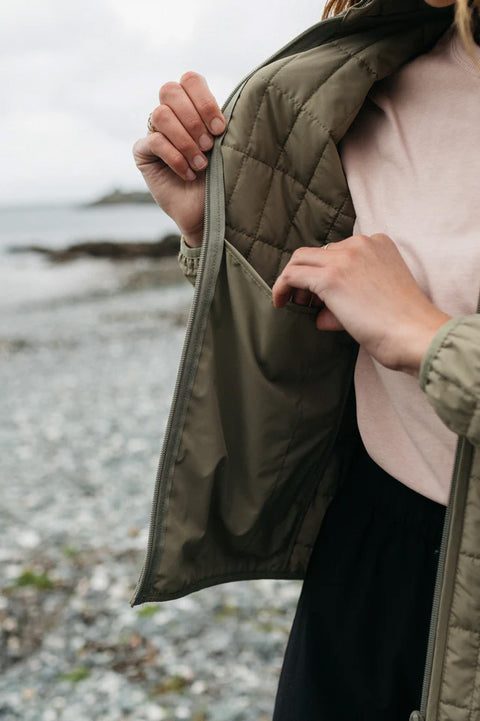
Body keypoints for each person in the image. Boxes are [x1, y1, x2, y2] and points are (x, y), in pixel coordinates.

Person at [132, 0, 480, 718]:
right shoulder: (364, 77)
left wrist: (429, 337)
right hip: (373, 544)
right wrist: (219, 224)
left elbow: (404, 323)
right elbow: (309, 321)